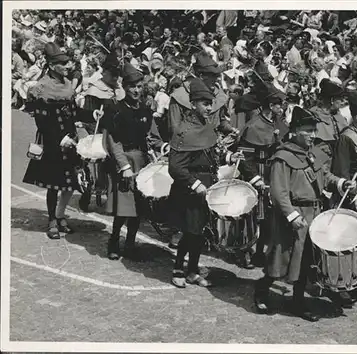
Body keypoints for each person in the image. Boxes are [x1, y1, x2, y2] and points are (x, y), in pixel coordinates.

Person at [253, 106, 357, 322]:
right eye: (308, 131)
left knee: (305, 260)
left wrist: (341, 182)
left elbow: (325, 175)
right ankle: (262, 290)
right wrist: (291, 215)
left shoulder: (310, 155)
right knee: (281, 259)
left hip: (314, 213)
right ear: (294, 131)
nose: (312, 135)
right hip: (292, 215)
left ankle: (298, 302)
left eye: (314, 131)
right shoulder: (282, 157)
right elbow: (278, 191)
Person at [168, 78, 244, 288]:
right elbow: (175, 167)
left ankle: (192, 270)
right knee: (190, 231)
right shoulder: (184, 130)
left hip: (208, 185)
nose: (209, 107)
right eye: (204, 103)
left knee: (200, 233)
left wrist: (230, 158)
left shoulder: (207, 126)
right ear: (193, 104)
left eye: (210, 103)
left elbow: (213, 154)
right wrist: (195, 184)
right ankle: (178, 268)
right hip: (190, 189)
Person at [102, 62, 167, 261]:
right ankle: (114, 241)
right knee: (123, 208)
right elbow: (113, 142)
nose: (136, 91)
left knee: (139, 208)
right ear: (125, 86)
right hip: (125, 162)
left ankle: (130, 244)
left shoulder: (146, 111)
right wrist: (124, 166)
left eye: (139, 87)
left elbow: (152, 136)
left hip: (142, 162)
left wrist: (164, 147)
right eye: (132, 87)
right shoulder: (115, 109)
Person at [23, 42, 80, 239]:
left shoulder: (67, 86)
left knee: (70, 182)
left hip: (70, 138)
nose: (68, 67)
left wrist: (92, 114)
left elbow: (74, 113)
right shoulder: (41, 88)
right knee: (54, 185)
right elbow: (42, 122)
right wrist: (59, 139)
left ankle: (61, 215)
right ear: (53, 65)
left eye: (67, 63)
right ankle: (52, 220)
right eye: (63, 64)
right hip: (52, 141)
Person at [230, 81, 287, 268]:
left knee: (268, 217)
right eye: (279, 104)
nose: (282, 107)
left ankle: (261, 252)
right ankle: (244, 251)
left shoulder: (278, 122)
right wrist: (255, 179)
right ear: (271, 106)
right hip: (257, 174)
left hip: (273, 174)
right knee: (252, 216)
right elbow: (245, 157)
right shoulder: (254, 126)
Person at [75, 52, 125, 211]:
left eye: (118, 75)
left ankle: (113, 201)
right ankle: (86, 195)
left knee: (115, 166)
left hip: (115, 132)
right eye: (113, 75)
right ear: (104, 73)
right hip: (97, 131)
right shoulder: (95, 89)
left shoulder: (118, 89)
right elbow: (89, 117)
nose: (116, 79)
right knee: (92, 164)